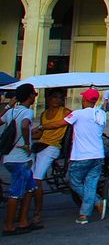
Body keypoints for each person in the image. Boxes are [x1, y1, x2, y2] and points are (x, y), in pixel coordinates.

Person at [40, 88, 108, 225]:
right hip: (98, 155)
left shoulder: (78, 114)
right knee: (90, 184)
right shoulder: (101, 114)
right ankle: (84, 215)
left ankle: (97, 202)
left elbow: (59, 124)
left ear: (84, 100)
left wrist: (42, 127)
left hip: (82, 156)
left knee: (75, 182)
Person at [2, 83, 37, 235]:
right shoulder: (27, 113)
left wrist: (9, 106)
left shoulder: (12, 112)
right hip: (20, 158)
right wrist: (28, 143)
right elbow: (24, 126)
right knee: (15, 192)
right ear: (30, 96)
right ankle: (9, 226)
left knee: (30, 188)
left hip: (9, 157)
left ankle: (23, 221)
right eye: (34, 94)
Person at [32, 88, 69, 227]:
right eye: (54, 97)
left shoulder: (65, 112)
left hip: (53, 146)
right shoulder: (44, 114)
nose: (57, 100)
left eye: (60, 97)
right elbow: (39, 134)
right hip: (41, 144)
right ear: (49, 99)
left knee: (37, 178)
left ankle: (37, 212)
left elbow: (61, 123)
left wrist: (42, 126)